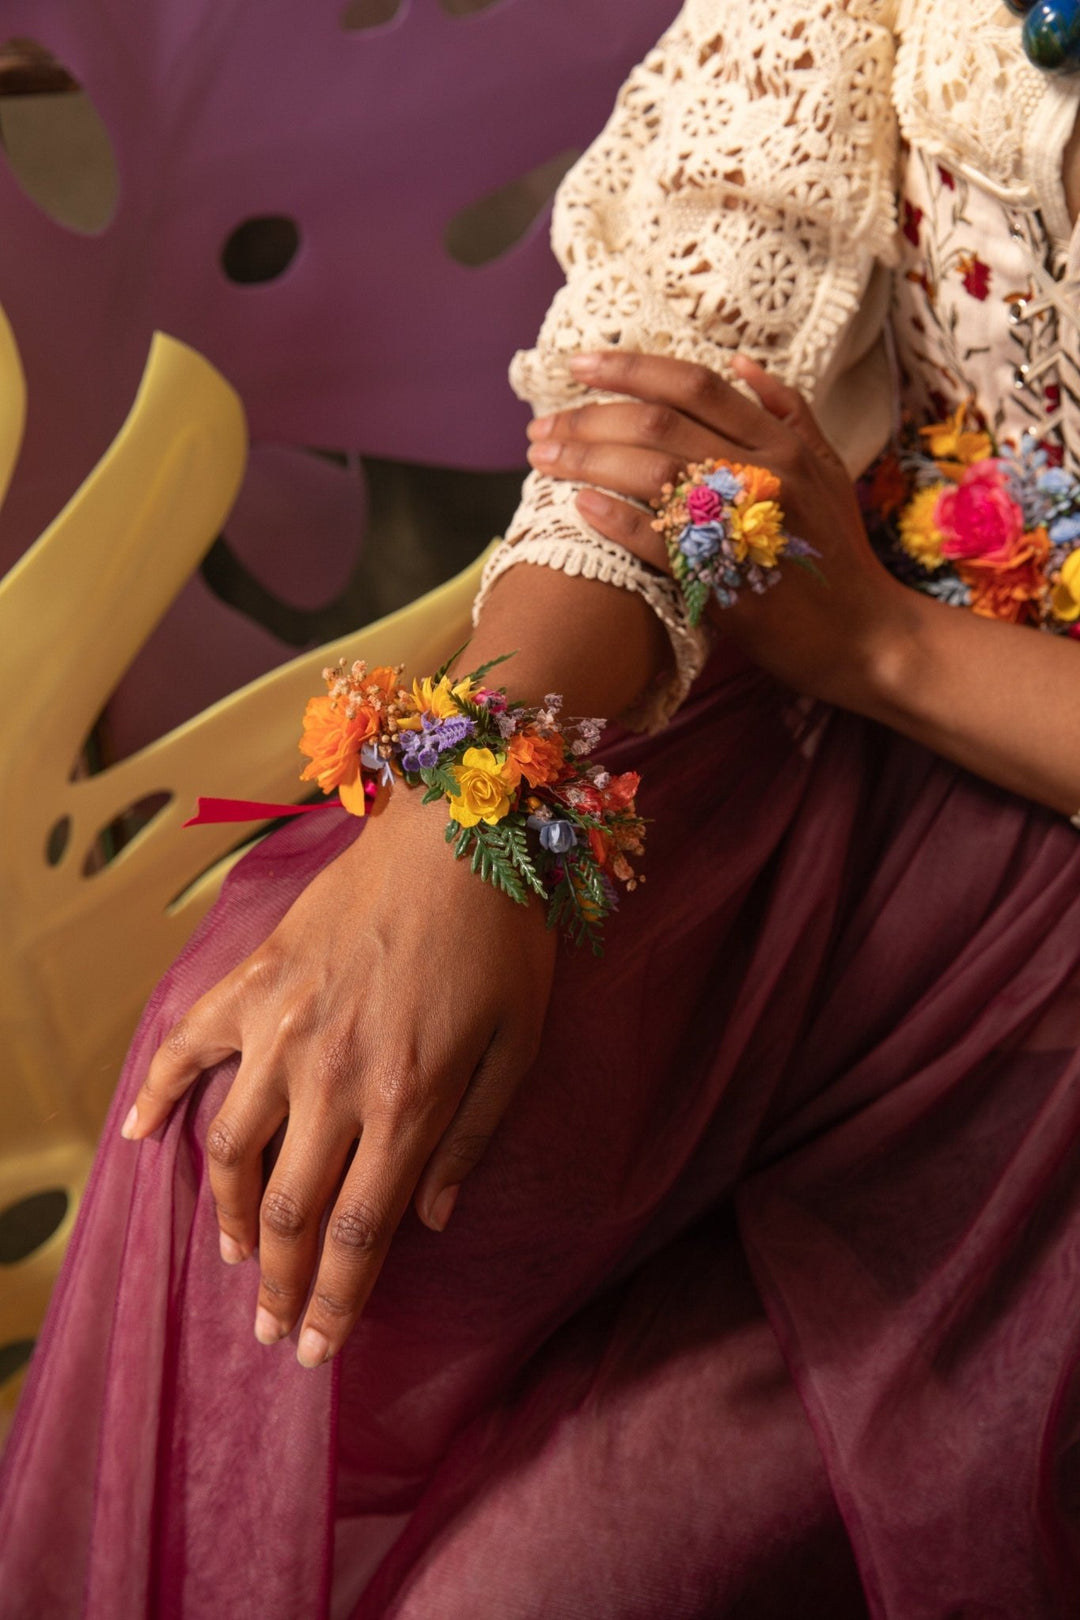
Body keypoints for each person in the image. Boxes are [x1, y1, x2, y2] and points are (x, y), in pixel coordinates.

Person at [3, 1, 1080, 1615]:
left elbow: (853, 622)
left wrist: (882, 646)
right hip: (844, 767)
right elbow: (682, 352)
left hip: (958, 750)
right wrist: (470, 808)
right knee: (264, 1095)